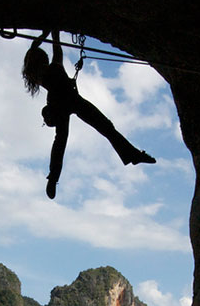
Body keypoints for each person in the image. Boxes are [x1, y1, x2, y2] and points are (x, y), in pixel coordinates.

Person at [22, 30, 156, 199]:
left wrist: (48, 33)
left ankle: (53, 178)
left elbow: (37, 48)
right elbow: (55, 48)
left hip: (60, 105)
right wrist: (51, 33)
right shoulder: (53, 67)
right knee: (105, 126)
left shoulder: (37, 75)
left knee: (62, 140)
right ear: (42, 60)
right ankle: (133, 155)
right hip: (70, 101)